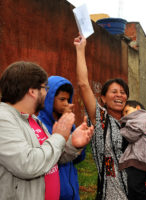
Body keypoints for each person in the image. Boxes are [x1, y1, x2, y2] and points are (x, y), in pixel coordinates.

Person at [0, 61, 94, 200]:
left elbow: (49, 157)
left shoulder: (32, 119)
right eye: (44, 88)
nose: (46, 93)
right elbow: (28, 164)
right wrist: (59, 136)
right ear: (32, 91)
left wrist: (71, 145)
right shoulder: (3, 118)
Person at [74, 34, 129, 200]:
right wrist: (80, 49)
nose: (119, 95)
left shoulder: (132, 122)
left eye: (123, 92)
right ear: (103, 98)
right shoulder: (101, 120)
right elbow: (83, 84)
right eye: (114, 92)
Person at [38, 75, 85, 200]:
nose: (66, 104)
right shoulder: (40, 125)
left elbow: (79, 159)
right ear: (49, 98)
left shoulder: (70, 124)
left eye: (68, 100)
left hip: (72, 191)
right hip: (53, 192)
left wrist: (80, 144)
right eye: (62, 99)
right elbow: (49, 157)